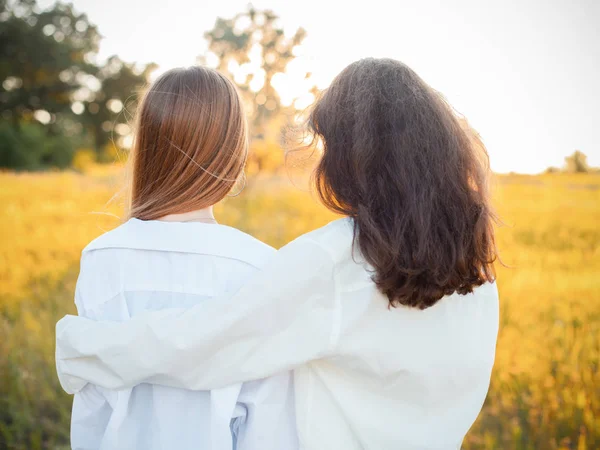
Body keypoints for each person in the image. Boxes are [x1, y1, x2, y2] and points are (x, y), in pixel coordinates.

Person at [57, 58, 500, 449]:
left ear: (358, 157)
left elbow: (203, 344)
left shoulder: (334, 260)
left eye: (330, 146)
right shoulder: (478, 273)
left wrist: (82, 346)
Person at [65, 66, 298, 450]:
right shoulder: (263, 269)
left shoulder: (101, 259)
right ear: (235, 155)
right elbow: (266, 424)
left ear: (147, 149)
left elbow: (93, 410)